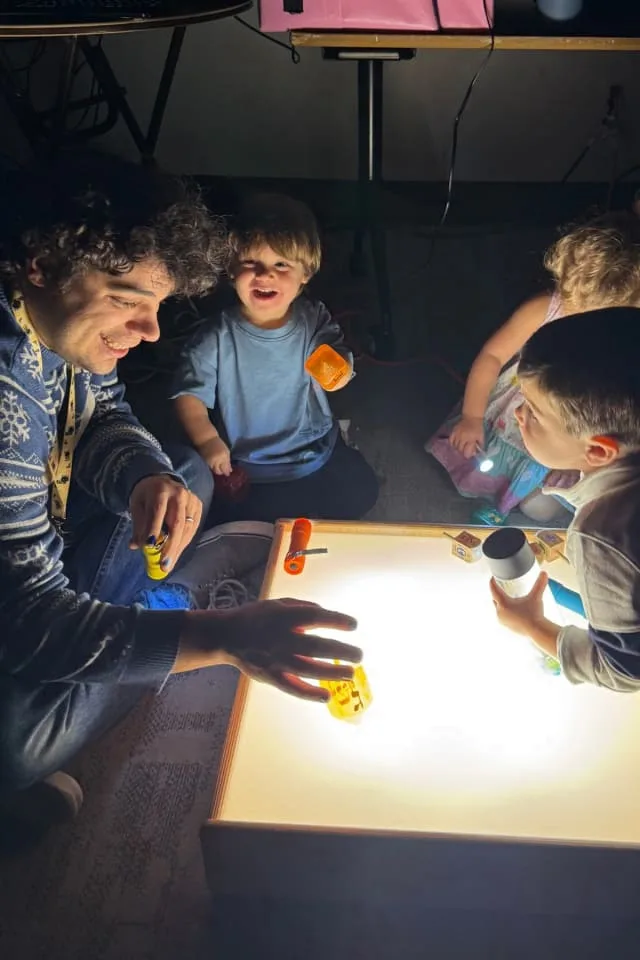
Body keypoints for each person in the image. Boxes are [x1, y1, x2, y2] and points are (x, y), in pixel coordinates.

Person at [0, 160, 362, 838]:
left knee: (184, 476)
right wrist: (218, 639)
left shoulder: (45, 320)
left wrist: (143, 476)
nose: (151, 331)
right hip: (20, 612)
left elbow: (100, 408)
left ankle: (123, 634)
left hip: (43, 544)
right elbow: (26, 622)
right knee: (17, 747)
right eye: (126, 299)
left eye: (158, 306)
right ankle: (119, 650)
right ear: (40, 264)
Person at [172, 193, 378, 523]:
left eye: (281, 265)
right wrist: (208, 439)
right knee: (255, 525)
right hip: (254, 464)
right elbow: (188, 393)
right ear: (231, 269)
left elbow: (336, 355)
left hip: (317, 448)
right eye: (251, 264)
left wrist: (338, 370)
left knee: (362, 493)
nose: (265, 275)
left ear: (306, 273)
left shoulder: (312, 317)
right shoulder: (216, 336)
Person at [425, 212, 640, 524]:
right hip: (522, 408)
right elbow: (492, 356)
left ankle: (524, 495)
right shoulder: (545, 308)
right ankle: (499, 495)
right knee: (491, 459)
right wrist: (472, 418)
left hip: (570, 428)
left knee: (541, 502)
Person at [489, 307, 640, 691]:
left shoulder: (601, 535)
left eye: (534, 414)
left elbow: (622, 669)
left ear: (599, 452)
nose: (519, 414)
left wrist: (531, 624)